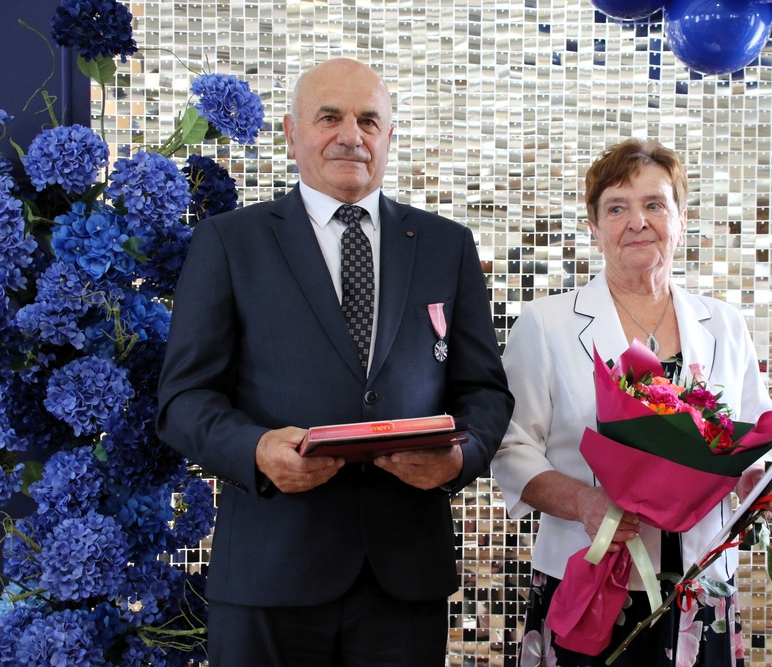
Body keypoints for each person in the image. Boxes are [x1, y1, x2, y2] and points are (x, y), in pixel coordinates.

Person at [157, 57, 514, 667]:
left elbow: (485, 391)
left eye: (368, 121)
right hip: (271, 572)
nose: (351, 135)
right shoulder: (230, 242)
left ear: (389, 137)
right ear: (292, 132)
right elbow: (182, 401)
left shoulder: (445, 245)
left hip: (404, 578)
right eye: (330, 117)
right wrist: (256, 450)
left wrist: (460, 458)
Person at [490, 138, 772, 666]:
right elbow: (511, 447)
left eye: (655, 204)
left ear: (681, 219)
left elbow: (755, 435)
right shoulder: (547, 323)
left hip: (701, 581)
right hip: (590, 576)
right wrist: (582, 502)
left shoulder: (724, 324)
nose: (637, 222)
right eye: (617, 208)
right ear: (593, 226)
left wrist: (759, 481)